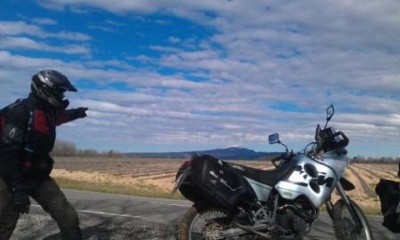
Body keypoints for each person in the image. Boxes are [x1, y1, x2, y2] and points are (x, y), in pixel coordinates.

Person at [0, 70, 88, 240]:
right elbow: (6, 155)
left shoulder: (48, 113)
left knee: (67, 215)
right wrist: (17, 188)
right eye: (59, 92)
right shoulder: (20, 112)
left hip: (37, 176)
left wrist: (77, 113)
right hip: (9, 177)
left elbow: (60, 117)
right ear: (45, 89)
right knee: (5, 222)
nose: (62, 96)